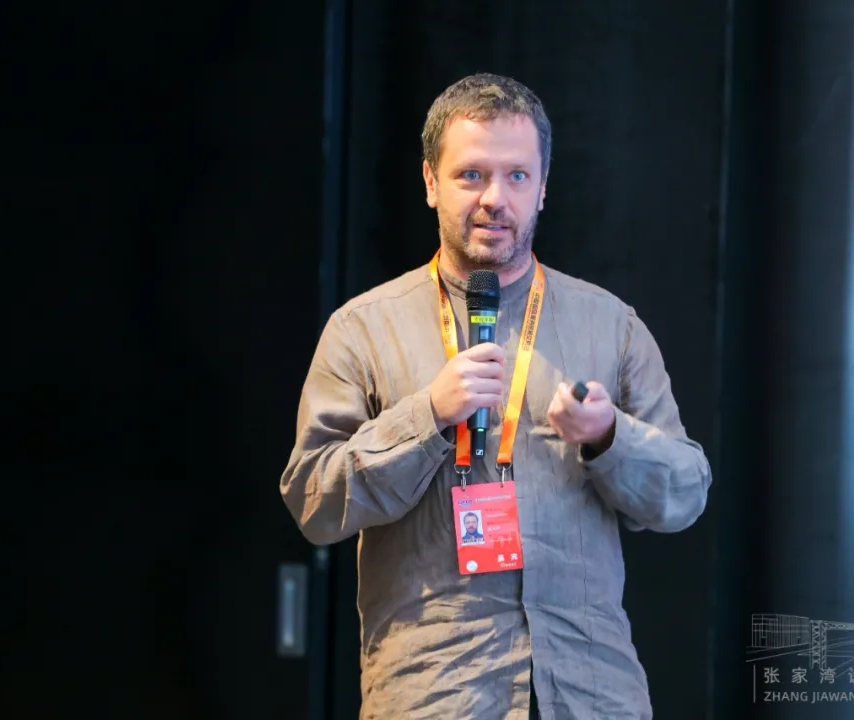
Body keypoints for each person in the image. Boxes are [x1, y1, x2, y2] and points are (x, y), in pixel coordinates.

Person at [280, 73, 712, 720]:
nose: (494, 198)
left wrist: (608, 438)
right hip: (436, 693)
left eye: (516, 176)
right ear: (431, 182)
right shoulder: (364, 329)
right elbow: (314, 501)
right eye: (471, 175)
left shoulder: (610, 325)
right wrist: (427, 416)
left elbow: (685, 494)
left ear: (543, 186)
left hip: (589, 694)